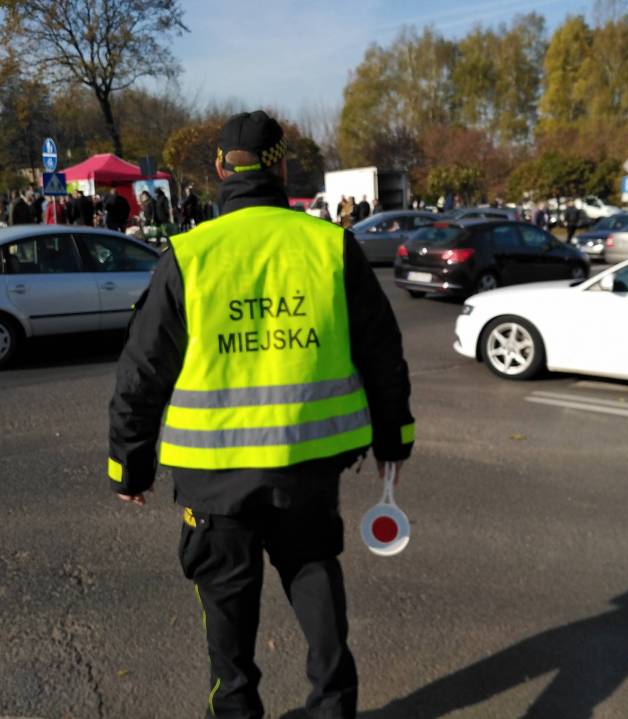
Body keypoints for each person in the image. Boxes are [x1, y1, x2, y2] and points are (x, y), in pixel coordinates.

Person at [107, 110, 414, 719]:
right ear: (280, 167)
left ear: (220, 168)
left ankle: (239, 712)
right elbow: (381, 351)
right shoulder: (330, 246)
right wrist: (393, 439)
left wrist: (129, 465)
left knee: (226, 605)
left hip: (213, 478)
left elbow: (142, 372)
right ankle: (333, 707)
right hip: (307, 469)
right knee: (314, 577)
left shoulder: (190, 255)